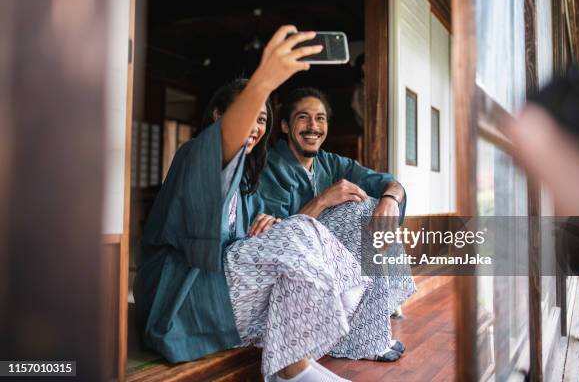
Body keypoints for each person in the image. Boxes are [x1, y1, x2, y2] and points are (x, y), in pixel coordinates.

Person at [134, 26, 371, 382]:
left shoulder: (247, 180)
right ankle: (291, 370)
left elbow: (243, 243)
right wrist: (263, 80)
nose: (256, 127)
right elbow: (224, 144)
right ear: (218, 117)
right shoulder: (196, 154)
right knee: (300, 232)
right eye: (249, 116)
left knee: (302, 229)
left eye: (262, 119)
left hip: (225, 293)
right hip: (182, 299)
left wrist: (266, 230)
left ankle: (293, 361)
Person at [258, 87, 417, 362]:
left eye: (320, 119)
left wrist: (391, 198)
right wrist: (322, 200)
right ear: (285, 125)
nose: (313, 127)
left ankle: (371, 326)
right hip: (290, 269)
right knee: (361, 210)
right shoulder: (269, 168)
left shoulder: (329, 163)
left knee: (375, 207)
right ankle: (363, 339)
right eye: (303, 118)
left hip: (327, 260)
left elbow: (388, 182)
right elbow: (276, 236)